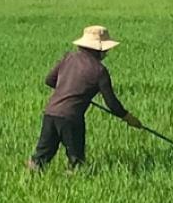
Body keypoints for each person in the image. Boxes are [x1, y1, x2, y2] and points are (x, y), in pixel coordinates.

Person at [28, 25, 143, 172]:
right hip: (71, 119)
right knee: (76, 161)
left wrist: (70, 91)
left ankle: (29, 179)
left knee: (41, 157)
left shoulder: (68, 58)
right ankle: (71, 186)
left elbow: (49, 80)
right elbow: (112, 104)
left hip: (51, 113)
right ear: (100, 50)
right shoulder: (100, 71)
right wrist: (128, 118)